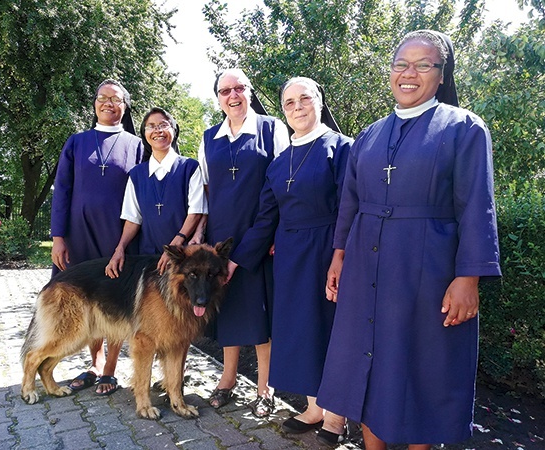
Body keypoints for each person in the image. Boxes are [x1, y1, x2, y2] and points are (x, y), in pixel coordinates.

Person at [317, 30, 501, 449]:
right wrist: (339, 256)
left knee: (420, 368)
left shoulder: (464, 128)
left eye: (423, 65)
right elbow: (350, 200)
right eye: (401, 63)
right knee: (368, 362)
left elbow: (477, 205)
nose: (409, 73)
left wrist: (468, 278)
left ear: (441, 74)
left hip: (428, 271)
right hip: (365, 265)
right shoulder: (368, 135)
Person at [227, 77, 352, 445]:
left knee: (329, 331)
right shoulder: (279, 163)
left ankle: (336, 416)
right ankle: (314, 407)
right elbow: (266, 218)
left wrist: (341, 255)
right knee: (299, 330)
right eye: (289, 102)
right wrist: (235, 262)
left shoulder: (341, 148)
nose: (297, 107)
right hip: (291, 255)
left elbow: (350, 207)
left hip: (328, 250)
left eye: (304, 99)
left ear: (319, 101)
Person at [195, 68, 290, 417]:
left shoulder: (271, 128)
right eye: (224, 91)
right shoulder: (208, 137)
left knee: (260, 314)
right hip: (220, 243)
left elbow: (284, 185)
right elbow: (204, 193)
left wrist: (277, 233)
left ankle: (266, 388)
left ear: (250, 91)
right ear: (218, 98)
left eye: (239, 88)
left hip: (261, 239)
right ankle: (227, 379)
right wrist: (200, 237)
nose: (232, 96)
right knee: (229, 310)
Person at [50, 79, 143, 396]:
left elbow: (143, 192)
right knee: (85, 298)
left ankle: (110, 369)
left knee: (115, 298)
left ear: (124, 106)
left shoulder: (136, 145)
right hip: (78, 236)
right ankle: (95, 361)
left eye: (115, 99)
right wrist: (58, 236)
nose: (108, 103)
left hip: (116, 237)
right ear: (94, 104)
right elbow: (61, 190)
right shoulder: (76, 142)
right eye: (102, 98)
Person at [104, 106, 207, 278]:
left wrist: (174, 247)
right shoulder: (136, 175)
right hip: (148, 258)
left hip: (185, 260)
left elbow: (195, 212)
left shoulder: (190, 168)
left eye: (163, 125)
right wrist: (120, 248)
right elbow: (132, 219)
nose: (157, 130)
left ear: (174, 130)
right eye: (151, 126)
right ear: (144, 134)